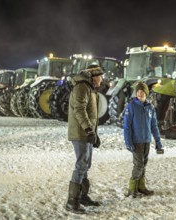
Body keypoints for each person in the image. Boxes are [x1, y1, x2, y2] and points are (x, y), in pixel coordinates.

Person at [66, 64, 103, 213]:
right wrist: (89, 130)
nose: (102, 79)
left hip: (86, 132)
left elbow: (91, 115)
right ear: (93, 76)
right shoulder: (82, 87)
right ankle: (71, 201)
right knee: (81, 165)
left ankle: (82, 196)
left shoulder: (90, 89)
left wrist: (94, 133)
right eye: (100, 76)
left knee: (86, 165)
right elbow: (79, 110)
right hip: (80, 133)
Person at [123, 82, 164, 198]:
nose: (139, 93)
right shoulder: (131, 106)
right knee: (138, 164)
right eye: (138, 92)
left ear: (146, 92)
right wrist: (128, 142)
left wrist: (158, 143)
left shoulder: (150, 107)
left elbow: (154, 126)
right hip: (136, 142)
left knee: (144, 164)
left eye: (142, 91)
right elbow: (127, 126)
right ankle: (132, 189)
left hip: (146, 141)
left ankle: (141, 187)